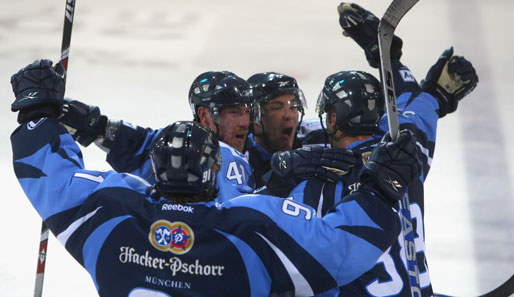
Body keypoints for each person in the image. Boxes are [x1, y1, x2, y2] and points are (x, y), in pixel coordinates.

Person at [10, 59, 423, 296]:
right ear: (212, 173)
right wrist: (380, 190)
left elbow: (46, 174)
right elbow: (345, 248)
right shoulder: (249, 227)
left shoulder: (113, 212)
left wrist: (38, 114)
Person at [268, 3, 478, 296]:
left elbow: (290, 261)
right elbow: (414, 109)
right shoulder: (407, 154)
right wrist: (416, 81)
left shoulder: (318, 180)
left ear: (330, 119)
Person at [58, 71, 255, 203]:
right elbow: (141, 144)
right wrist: (90, 123)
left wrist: (90, 124)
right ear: (204, 116)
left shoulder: (260, 147)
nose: (245, 122)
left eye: (247, 112)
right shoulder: (187, 153)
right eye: (235, 113)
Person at [246, 72, 308, 188]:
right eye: (277, 108)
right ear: (254, 117)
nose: (288, 115)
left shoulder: (314, 140)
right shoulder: (240, 157)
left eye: (294, 107)